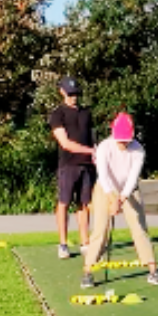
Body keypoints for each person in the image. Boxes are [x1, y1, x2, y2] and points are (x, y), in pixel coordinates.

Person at [81, 112, 158, 289]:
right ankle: (87, 272)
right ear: (113, 134)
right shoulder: (104, 147)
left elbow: (133, 178)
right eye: (120, 140)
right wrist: (112, 198)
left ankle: (153, 271)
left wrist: (121, 199)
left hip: (129, 190)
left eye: (126, 140)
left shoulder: (138, 150)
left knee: (139, 227)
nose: (123, 143)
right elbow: (103, 175)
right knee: (100, 229)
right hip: (105, 189)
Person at [48, 77, 96, 259]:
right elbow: (65, 143)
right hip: (68, 164)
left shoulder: (86, 113)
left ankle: (85, 242)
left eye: (76, 93)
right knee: (64, 203)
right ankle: (63, 244)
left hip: (87, 165)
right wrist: (91, 150)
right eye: (70, 93)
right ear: (62, 92)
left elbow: (92, 137)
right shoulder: (57, 114)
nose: (74, 97)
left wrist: (95, 154)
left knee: (83, 203)